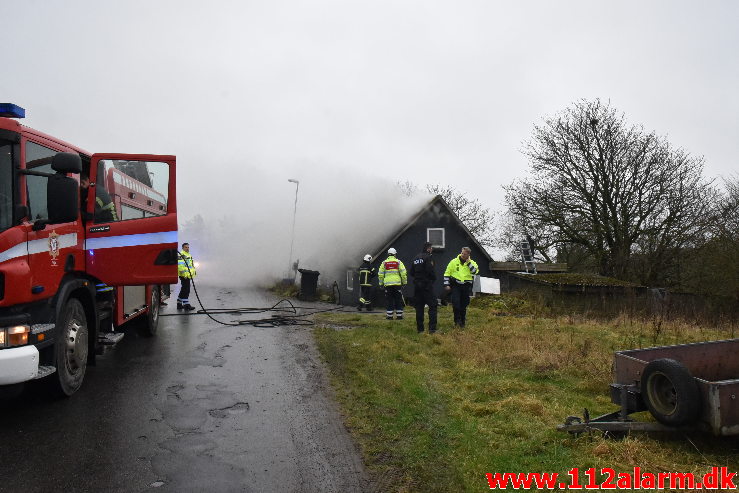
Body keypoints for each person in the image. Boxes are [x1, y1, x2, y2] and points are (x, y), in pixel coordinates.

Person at [443, 247, 479, 328]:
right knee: (456, 303)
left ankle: (462, 321)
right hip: (456, 285)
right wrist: (446, 284)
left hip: (466, 286)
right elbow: (447, 273)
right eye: (462, 253)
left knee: (464, 304)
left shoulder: (472, 263)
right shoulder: (453, 261)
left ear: (468, 255)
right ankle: (457, 321)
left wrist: (468, 263)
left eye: (465, 254)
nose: (462, 255)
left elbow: (475, 271)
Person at [410, 242, 437, 334]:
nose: (432, 250)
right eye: (431, 248)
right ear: (428, 249)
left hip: (417, 287)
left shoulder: (415, 258)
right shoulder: (428, 258)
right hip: (426, 286)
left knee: (419, 307)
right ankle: (432, 329)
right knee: (433, 306)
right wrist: (433, 278)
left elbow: (411, 272)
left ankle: (420, 329)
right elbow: (430, 271)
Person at [378, 247, 407, 320]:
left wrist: (381, 284)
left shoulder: (384, 263)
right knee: (398, 299)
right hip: (397, 284)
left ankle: (389, 316)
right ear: (395, 254)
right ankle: (399, 316)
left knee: (389, 300)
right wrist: (404, 283)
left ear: (388, 254)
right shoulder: (398, 262)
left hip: (388, 285)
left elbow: (380, 274)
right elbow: (403, 273)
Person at [177, 242, 197, 311]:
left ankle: (179, 303)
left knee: (183, 289)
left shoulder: (188, 254)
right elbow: (180, 266)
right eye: (186, 247)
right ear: (183, 248)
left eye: (188, 247)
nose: (187, 248)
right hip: (184, 276)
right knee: (186, 290)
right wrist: (185, 275)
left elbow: (190, 265)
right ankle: (186, 305)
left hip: (188, 275)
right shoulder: (181, 255)